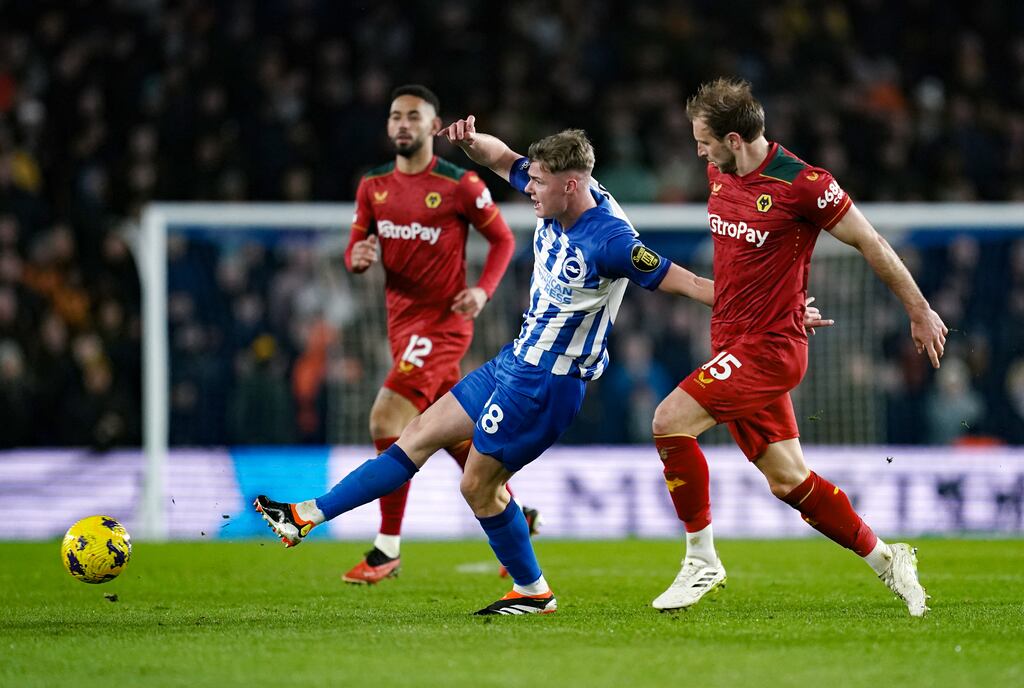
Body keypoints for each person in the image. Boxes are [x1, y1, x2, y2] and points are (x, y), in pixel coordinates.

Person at [254, 118, 727, 614]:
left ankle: (532, 590)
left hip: (548, 383)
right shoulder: (556, 189)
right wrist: (468, 142)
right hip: (515, 360)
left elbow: (693, 284)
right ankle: (306, 515)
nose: (530, 190)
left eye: (539, 183)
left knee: (477, 485)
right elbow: (502, 159)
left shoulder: (611, 241)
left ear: (571, 185)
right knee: (415, 434)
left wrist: (770, 312)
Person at [649, 78, 948, 617]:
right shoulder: (719, 172)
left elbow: (870, 242)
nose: (699, 152)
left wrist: (919, 309)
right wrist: (784, 303)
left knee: (669, 419)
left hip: (768, 350)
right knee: (788, 481)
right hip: (735, 340)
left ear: (734, 138)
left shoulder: (805, 184)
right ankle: (888, 559)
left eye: (704, 141)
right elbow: (748, 268)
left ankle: (701, 560)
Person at [337, 84, 525, 584]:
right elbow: (356, 246)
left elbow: (503, 239)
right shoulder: (371, 186)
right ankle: (515, 517)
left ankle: (386, 548)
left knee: (388, 414)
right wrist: (355, 259)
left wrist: (483, 292)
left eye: (413, 117)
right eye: (396, 116)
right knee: (451, 432)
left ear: (432, 125)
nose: (403, 124)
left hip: (444, 324)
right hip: (400, 324)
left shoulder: (460, 183)